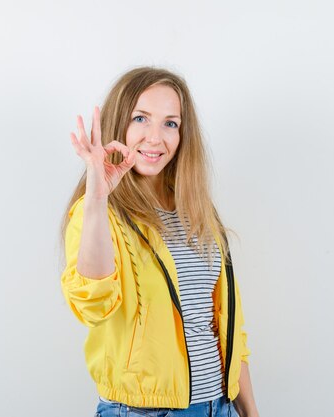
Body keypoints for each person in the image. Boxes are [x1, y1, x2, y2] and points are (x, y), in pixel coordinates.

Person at [60, 67, 259, 417]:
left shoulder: (199, 213)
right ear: (118, 123)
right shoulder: (98, 212)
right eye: (141, 118)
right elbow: (94, 303)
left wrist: (250, 412)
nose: (156, 137)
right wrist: (97, 196)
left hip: (220, 408)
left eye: (170, 123)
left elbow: (228, 328)